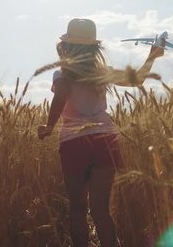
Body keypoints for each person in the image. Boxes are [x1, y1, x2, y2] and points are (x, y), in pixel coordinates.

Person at [37, 18, 163, 247]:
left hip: (74, 143)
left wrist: (49, 126)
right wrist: (153, 55)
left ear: (65, 47)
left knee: (77, 208)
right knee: (100, 210)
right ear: (94, 48)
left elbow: (61, 96)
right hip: (105, 140)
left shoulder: (62, 74)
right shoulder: (103, 73)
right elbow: (139, 80)